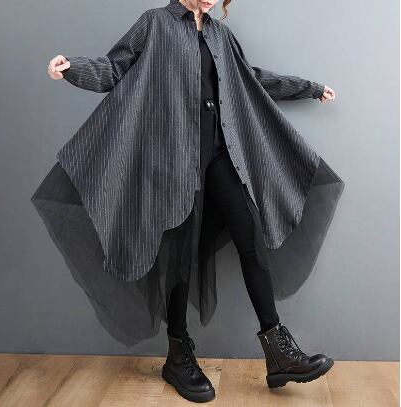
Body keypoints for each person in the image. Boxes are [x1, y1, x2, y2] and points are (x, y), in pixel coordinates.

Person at [38, 0, 343, 403]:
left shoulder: (219, 34)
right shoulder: (155, 23)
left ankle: (278, 351)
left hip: (221, 152)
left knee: (250, 234)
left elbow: (248, 80)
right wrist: (72, 68)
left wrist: (309, 88)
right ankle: (178, 353)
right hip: (175, 159)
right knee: (181, 251)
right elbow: (115, 68)